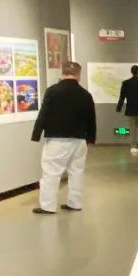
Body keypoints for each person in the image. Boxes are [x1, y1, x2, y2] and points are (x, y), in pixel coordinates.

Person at [31, 60, 96, 215]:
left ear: (63, 72)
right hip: (79, 140)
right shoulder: (85, 94)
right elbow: (91, 118)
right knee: (77, 172)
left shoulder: (52, 91)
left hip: (56, 139)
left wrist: (36, 134)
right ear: (78, 74)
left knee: (51, 173)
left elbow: (44, 113)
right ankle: (75, 203)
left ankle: (48, 206)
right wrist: (91, 138)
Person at [115, 64, 138, 152]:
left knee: (132, 128)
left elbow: (122, 97)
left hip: (130, 109)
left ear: (131, 72)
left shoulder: (126, 83)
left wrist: (119, 107)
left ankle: (133, 145)